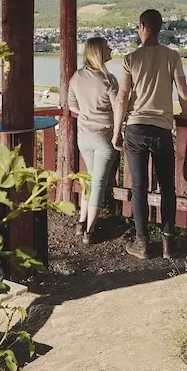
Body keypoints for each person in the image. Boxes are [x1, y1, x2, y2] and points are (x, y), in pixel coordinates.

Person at [113, 9, 187, 259]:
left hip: (136, 127)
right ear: (159, 28)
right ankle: (168, 243)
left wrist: (117, 131)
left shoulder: (131, 59)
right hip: (161, 129)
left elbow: (122, 96)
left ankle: (142, 243)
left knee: (138, 187)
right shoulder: (172, 56)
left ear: (141, 27)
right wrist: (186, 113)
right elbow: (182, 90)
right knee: (167, 185)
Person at [65, 36, 120, 242]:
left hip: (84, 136)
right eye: (107, 47)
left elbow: (73, 107)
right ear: (99, 53)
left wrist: (88, 112)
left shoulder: (76, 77)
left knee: (90, 180)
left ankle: (82, 221)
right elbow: (119, 107)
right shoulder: (108, 80)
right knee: (97, 183)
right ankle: (90, 230)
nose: (111, 49)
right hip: (103, 136)